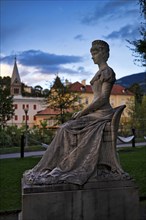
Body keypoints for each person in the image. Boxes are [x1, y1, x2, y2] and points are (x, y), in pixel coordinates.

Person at [24, 40, 119, 185]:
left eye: (94, 53)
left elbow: (103, 99)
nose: (92, 56)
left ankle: (64, 166)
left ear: (104, 53)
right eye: (91, 53)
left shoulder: (107, 72)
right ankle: (51, 166)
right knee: (65, 127)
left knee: (65, 128)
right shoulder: (99, 72)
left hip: (102, 114)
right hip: (95, 113)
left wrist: (82, 112)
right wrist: (84, 113)